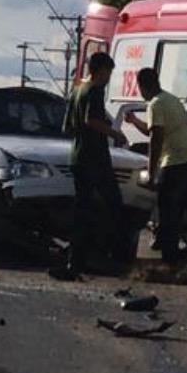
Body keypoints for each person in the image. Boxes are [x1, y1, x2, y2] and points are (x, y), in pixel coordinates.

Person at [125, 67, 187, 265]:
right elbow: (152, 130)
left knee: (169, 210)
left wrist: (152, 172)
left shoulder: (155, 104)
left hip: (178, 162)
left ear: (141, 86)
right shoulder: (170, 99)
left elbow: (155, 139)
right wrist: (134, 121)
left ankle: (170, 260)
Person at [56, 51, 130, 280]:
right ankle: (102, 254)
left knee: (83, 208)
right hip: (94, 158)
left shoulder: (77, 90)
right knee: (113, 203)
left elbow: (66, 127)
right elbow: (91, 120)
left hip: (77, 156)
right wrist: (114, 134)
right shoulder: (95, 91)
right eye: (108, 72)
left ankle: (76, 259)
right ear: (100, 71)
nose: (109, 78)